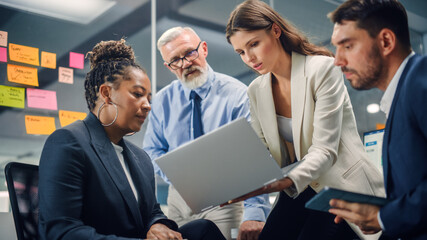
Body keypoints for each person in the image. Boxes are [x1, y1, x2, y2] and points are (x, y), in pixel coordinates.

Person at [224, 0, 385, 239]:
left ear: (275, 31)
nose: (249, 57)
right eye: (241, 52)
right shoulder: (256, 90)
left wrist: (284, 180)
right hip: (298, 191)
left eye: (254, 44)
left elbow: (325, 151)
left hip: (339, 188)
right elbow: (261, 151)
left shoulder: (322, 69)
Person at [38, 39, 226, 240]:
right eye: (137, 94)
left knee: (203, 229)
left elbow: (153, 212)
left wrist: (157, 226)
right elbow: (62, 232)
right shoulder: (69, 142)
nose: (147, 106)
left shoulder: (140, 157)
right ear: (106, 94)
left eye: (149, 98)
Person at [143, 26, 271, 240]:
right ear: (168, 66)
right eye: (175, 60)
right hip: (178, 201)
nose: (185, 63)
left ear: (203, 48)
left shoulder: (238, 95)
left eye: (189, 53)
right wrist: (182, 176)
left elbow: (255, 155)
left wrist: (255, 211)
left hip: (225, 198)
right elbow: (152, 149)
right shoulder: (163, 100)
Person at [328, 0, 427, 239]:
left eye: (347, 46)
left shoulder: (420, 80)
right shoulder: (400, 94)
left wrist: (383, 217)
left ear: (386, 41)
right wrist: (380, 215)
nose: (337, 60)